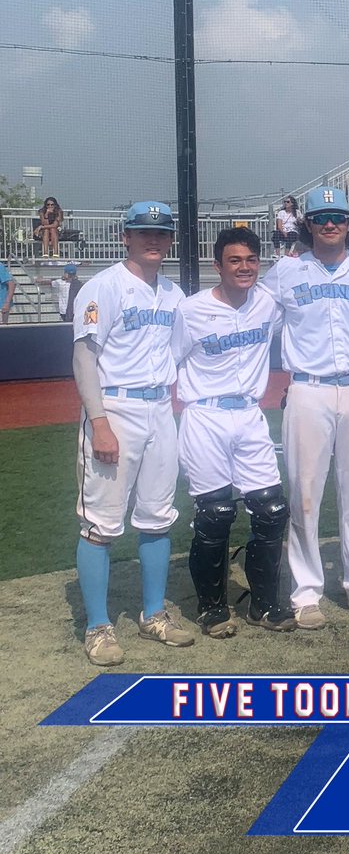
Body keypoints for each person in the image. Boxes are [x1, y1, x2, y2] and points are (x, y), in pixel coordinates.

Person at [261, 186, 349, 630]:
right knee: (304, 494)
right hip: (307, 389)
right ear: (308, 224)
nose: (331, 224)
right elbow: (251, 316)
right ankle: (306, 593)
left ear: (348, 223)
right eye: (321, 218)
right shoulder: (285, 271)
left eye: (338, 216)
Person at [70, 201, 191, 666]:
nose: (153, 239)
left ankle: (154, 613)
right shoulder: (104, 286)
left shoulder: (173, 293)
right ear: (127, 236)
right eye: (144, 232)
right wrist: (99, 422)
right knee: (101, 521)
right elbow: (84, 358)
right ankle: (98, 625)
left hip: (160, 406)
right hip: (115, 407)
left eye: (161, 233)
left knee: (158, 514)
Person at [172, 227, 295, 637]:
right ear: (217, 266)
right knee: (216, 513)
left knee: (272, 510)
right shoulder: (190, 312)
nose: (244, 268)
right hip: (205, 416)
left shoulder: (267, 301)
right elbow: (169, 361)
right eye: (234, 260)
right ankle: (212, 607)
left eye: (251, 260)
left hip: (249, 414)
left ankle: (264, 602)